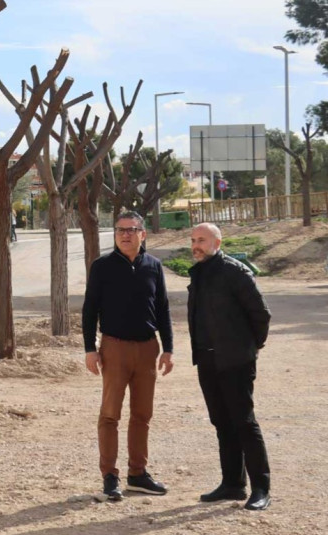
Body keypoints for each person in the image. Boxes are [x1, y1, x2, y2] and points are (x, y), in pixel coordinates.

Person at [82, 210, 174, 501]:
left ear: (142, 234)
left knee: (142, 414)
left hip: (148, 348)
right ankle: (110, 476)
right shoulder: (102, 266)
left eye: (131, 229)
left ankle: (138, 474)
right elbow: (89, 309)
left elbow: (163, 309)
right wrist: (89, 349)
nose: (125, 234)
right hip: (114, 348)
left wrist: (168, 348)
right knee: (110, 414)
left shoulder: (154, 266)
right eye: (120, 229)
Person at [188, 222, 272, 511]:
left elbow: (260, 314)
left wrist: (251, 348)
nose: (196, 245)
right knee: (222, 422)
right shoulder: (198, 272)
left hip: (235, 360)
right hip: (208, 360)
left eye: (202, 240)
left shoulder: (235, 272)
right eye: (193, 240)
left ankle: (261, 488)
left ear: (217, 243)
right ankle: (233, 484)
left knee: (244, 423)